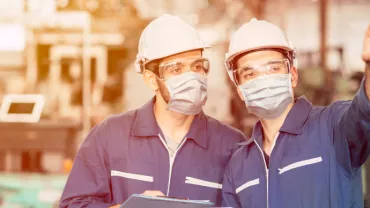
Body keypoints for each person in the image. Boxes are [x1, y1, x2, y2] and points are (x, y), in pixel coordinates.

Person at [59, 14, 245, 208]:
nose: (191, 77)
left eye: (197, 66)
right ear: (150, 79)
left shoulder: (232, 145)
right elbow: (72, 204)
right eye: (176, 69)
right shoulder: (109, 136)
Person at [221, 18, 370, 208]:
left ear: (293, 75)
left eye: (273, 68)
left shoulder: (332, 128)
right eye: (250, 74)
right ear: (240, 90)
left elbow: (364, 114)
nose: (263, 79)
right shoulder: (238, 166)